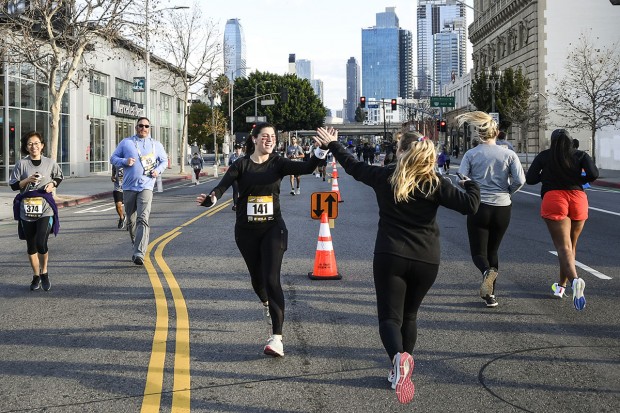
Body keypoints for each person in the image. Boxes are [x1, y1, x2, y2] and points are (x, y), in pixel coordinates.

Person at [314, 128, 480, 404]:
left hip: (390, 255)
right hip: (427, 259)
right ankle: (402, 370)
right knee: (410, 315)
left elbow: (354, 167)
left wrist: (333, 144)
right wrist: (470, 184)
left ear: (400, 151)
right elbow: (470, 206)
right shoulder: (435, 182)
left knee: (390, 318)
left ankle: (397, 361)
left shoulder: (386, 176)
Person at [196, 123, 328, 358]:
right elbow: (221, 187)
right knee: (258, 281)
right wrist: (211, 199)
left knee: (271, 278)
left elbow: (308, 167)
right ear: (255, 139)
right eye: (265, 136)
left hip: (272, 228)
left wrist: (321, 151)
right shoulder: (241, 164)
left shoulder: (278, 163)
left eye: (273, 137)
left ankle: (277, 338)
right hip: (246, 232)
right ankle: (266, 303)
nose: (270, 140)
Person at [456, 111, 526, 308]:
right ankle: (491, 295)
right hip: (502, 207)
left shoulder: (471, 154)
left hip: (479, 206)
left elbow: (461, 178)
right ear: (497, 133)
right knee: (493, 250)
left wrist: (470, 189)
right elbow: (520, 180)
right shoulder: (509, 154)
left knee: (479, 253)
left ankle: (486, 273)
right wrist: (508, 192)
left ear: (480, 134)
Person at [525, 129, 598, 310]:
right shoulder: (580, 155)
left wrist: (548, 174)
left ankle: (575, 281)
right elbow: (593, 174)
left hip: (555, 198)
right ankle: (561, 286)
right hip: (577, 197)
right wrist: (578, 177)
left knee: (563, 247)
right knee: (571, 246)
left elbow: (531, 179)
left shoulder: (544, 156)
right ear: (570, 141)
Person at [110, 117, 168, 266]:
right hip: (129, 187)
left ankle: (139, 253)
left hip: (146, 186)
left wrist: (158, 170)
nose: (144, 128)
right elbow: (113, 158)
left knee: (143, 218)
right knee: (131, 219)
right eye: (141, 126)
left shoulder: (156, 145)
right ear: (136, 128)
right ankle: (137, 243)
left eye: (146, 126)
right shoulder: (126, 142)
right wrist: (124, 161)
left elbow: (164, 161)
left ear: (150, 128)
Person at [10, 131, 63, 291]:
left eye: (36, 143)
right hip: (27, 208)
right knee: (31, 246)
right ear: (26, 147)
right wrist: (27, 180)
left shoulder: (50, 163)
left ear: (42, 145)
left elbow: (59, 177)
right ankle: (35, 276)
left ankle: (44, 272)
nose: (34, 146)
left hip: (45, 208)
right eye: (30, 144)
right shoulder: (21, 164)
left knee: (41, 243)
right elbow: (13, 185)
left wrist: (52, 184)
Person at [228, 144, 244, 210]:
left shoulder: (244, 157)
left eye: (239, 149)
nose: (238, 150)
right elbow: (229, 164)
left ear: (241, 149)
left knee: (242, 191)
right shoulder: (232, 157)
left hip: (242, 176)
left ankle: (242, 204)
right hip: (234, 176)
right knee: (235, 190)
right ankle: (235, 205)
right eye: (236, 149)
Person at [111, 165, 126, 229]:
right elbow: (114, 169)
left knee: (130, 206)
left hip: (129, 187)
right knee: (118, 205)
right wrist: (113, 176)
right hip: (118, 187)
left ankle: (131, 221)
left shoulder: (131, 158)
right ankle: (122, 217)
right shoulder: (116, 159)